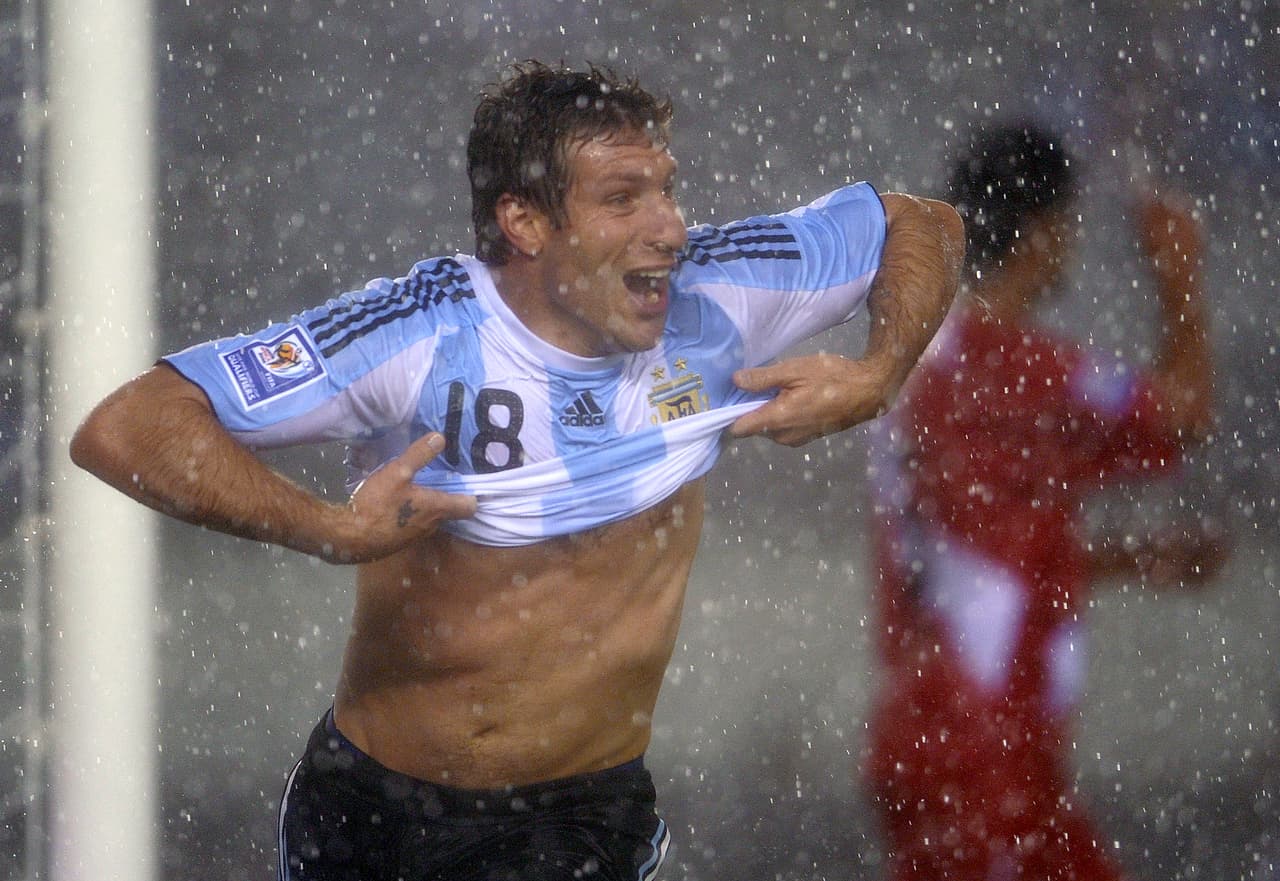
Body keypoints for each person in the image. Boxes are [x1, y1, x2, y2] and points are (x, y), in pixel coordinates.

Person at [70, 60, 963, 881]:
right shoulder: (418, 332)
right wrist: (328, 529)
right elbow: (127, 425)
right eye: (624, 198)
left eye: (667, 189)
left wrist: (878, 373)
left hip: (577, 822)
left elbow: (917, 222)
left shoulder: (720, 289)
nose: (669, 227)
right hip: (373, 813)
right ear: (525, 221)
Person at [864, 122, 1218, 881]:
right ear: (1042, 233)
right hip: (991, 758)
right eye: (1068, 226)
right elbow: (1184, 413)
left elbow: (984, 553)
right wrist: (1180, 273)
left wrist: (1125, 561)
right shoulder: (1025, 371)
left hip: (928, 740)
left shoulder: (919, 368)